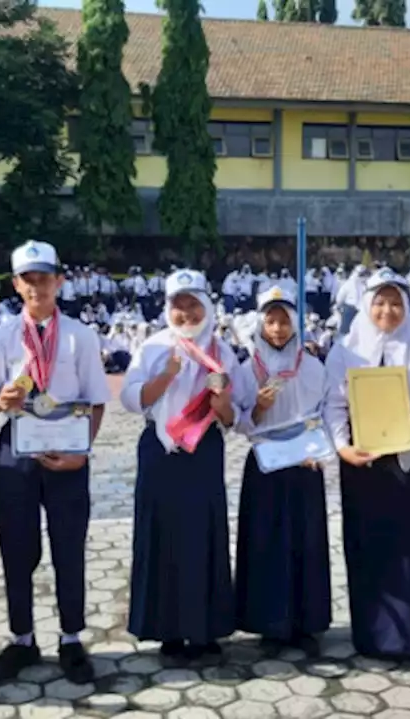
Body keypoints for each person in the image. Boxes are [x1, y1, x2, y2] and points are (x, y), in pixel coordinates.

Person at [0, 241, 111, 685]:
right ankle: (22, 638)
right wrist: (1, 399)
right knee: (16, 548)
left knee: (68, 546)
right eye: (28, 279)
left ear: (59, 281)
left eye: (45, 277)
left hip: (69, 455)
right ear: (16, 284)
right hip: (16, 452)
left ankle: (72, 639)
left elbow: (96, 402)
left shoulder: (80, 335)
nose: (37, 286)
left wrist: (82, 453)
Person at [120, 269, 251, 663]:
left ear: (207, 307)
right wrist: (166, 377)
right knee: (160, 534)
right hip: (160, 451)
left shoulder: (222, 352)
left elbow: (239, 414)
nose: (186, 313)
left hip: (203, 451)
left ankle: (204, 631)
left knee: (203, 536)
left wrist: (223, 406)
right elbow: (130, 398)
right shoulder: (153, 347)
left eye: (194, 305)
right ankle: (167, 632)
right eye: (179, 306)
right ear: (168, 308)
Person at [322, 268, 410, 659]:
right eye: (379, 301)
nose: (387, 310)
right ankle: (374, 633)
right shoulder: (346, 349)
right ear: (366, 304)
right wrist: (342, 448)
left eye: (395, 302)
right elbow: (333, 405)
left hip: (408, 456)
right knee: (368, 542)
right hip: (363, 460)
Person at [233, 286, 331, 655]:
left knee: (305, 543)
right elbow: (239, 424)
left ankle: (306, 624)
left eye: (284, 320)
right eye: (270, 320)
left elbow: (323, 412)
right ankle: (269, 623)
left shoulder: (311, 367)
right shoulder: (247, 370)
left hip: (304, 465)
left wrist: (317, 447)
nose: (277, 329)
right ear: (260, 323)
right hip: (266, 465)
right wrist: (256, 409)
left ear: (296, 323)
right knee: (266, 543)